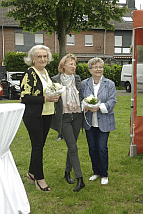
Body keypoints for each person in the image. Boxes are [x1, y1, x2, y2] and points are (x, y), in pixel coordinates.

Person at [20, 45, 59, 192]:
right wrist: (46, 98)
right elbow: (25, 97)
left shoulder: (45, 72)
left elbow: (46, 91)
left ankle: (31, 173)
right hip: (33, 115)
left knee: (39, 146)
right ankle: (39, 179)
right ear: (32, 59)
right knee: (37, 147)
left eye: (45, 56)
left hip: (46, 114)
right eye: (39, 57)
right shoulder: (29, 73)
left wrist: (54, 96)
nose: (43, 59)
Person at [51, 53, 85, 192]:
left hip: (77, 116)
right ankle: (80, 178)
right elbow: (51, 95)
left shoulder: (77, 78)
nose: (73, 66)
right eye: (71, 63)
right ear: (63, 65)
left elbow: (81, 94)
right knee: (73, 148)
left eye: (75, 64)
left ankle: (67, 172)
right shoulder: (55, 80)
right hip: (64, 117)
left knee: (72, 147)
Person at [81, 57, 117, 185]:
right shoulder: (85, 83)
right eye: (95, 67)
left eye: (100, 67)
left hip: (104, 121)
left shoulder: (110, 84)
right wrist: (85, 106)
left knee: (102, 147)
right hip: (89, 121)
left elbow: (112, 101)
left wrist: (99, 108)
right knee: (92, 148)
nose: (98, 69)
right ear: (90, 70)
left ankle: (104, 174)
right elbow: (81, 99)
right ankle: (95, 172)